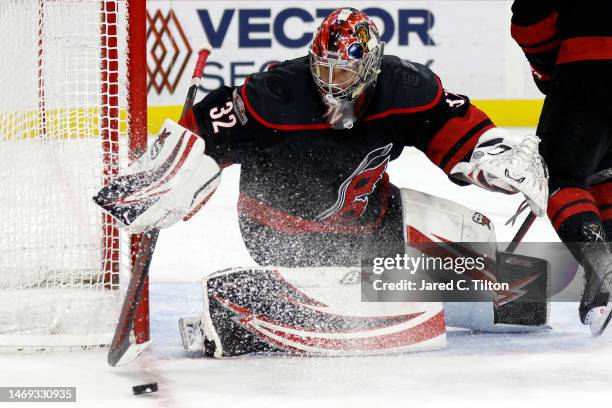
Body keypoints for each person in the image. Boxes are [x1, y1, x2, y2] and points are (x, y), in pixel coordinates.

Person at [97, 8, 548, 356]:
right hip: (285, 238)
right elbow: (200, 134)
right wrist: (161, 183)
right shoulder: (275, 95)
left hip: (375, 223)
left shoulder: (406, 88)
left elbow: (462, 131)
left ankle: (373, 288)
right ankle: (239, 307)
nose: (332, 84)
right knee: (410, 320)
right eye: (324, 69)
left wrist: (497, 164)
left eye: (345, 73)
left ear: (371, 69)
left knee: (519, 279)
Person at [511, 0, 612, 334]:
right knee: (604, 168)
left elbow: (531, 22)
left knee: (556, 173)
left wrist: (550, 68)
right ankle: (604, 286)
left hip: (592, 62)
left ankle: (601, 265)